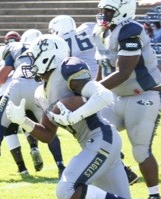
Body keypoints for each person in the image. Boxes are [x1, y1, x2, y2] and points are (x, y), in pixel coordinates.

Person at [6, 34, 161, 199]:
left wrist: (75, 114)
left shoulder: (68, 68)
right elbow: (47, 134)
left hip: (100, 137)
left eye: (35, 57)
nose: (31, 63)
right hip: (95, 143)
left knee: (66, 190)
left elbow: (103, 95)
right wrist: (23, 121)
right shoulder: (41, 91)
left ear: (49, 54)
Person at [48, 14, 139, 185]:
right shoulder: (89, 28)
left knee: (90, 131)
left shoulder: (61, 42)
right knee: (99, 128)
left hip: (81, 84)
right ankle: (122, 169)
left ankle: (118, 169)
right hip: (99, 79)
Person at [91, 0, 161, 199]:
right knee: (95, 132)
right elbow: (103, 66)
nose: (103, 14)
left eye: (108, 10)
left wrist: (93, 91)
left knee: (141, 150)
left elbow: (124, 72)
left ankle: (154, 196)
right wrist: (94, 88)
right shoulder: (101, 32)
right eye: (102, 10)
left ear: (122, 11)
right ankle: (124, 170)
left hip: (143, 95)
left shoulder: (131, 30)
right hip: (116, 97)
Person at [0, 29, 66, 178]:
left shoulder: (11, 48)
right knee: (49, 130)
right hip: (39, 88)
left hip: (17, 87)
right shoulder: (47, 46)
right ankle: (60, 164)